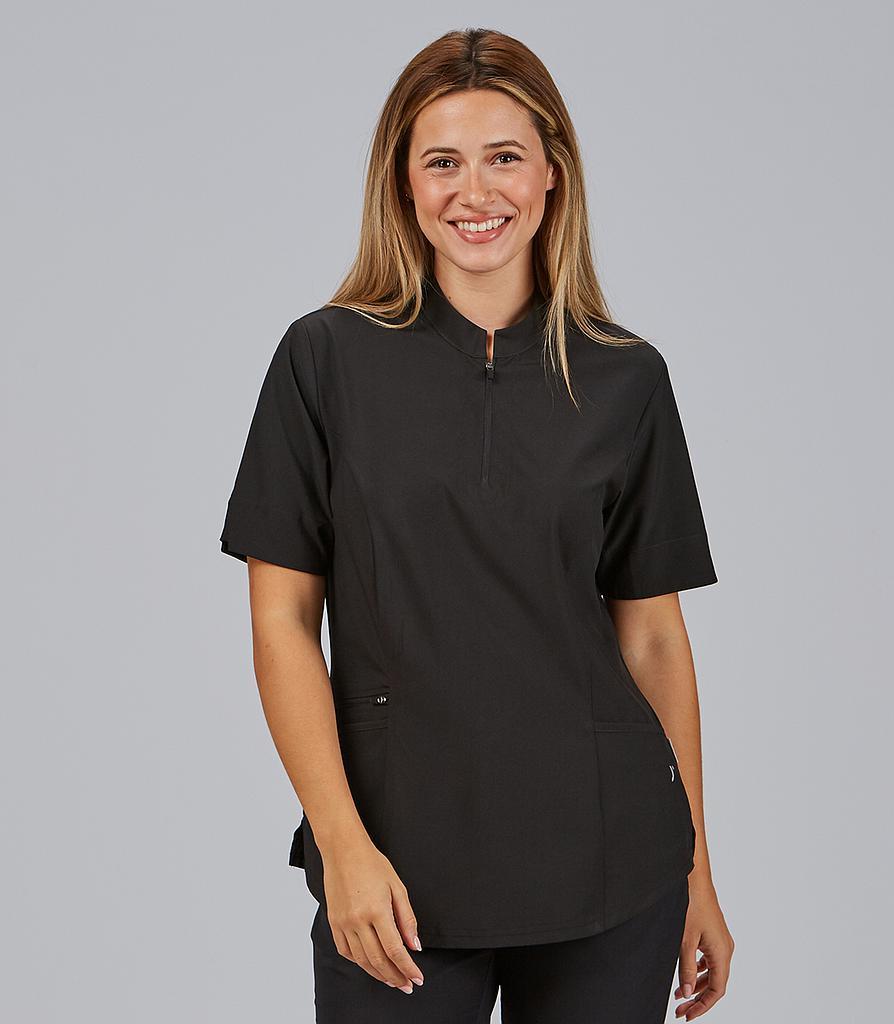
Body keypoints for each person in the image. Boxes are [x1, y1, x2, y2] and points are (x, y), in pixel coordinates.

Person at [219, 26, 735, 1023]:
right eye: (442, 162)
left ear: (551, 173)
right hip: (396, 867)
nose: (475, 191)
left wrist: (695, 872)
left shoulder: (625, 377)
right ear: (403, 183)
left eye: (503, 157)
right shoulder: (324, 361)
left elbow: (654, 639)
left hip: (611, 858)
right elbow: (281, 622)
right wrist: (341, 844)